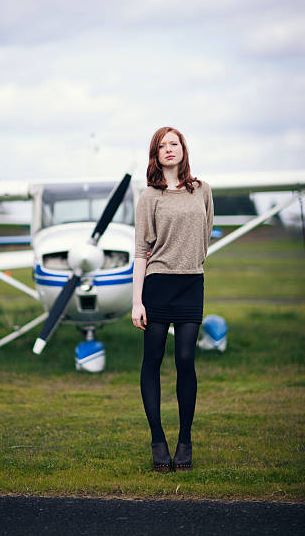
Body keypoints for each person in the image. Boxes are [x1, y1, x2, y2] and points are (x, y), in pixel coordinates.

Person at [132, 127, 214, 472]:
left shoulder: (202, 191)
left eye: (174, 144)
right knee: (153, 360)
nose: (169, 149)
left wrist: (191, 262)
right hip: (158, 285)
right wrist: (138, 302)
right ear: (156, 153)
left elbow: (206, 235)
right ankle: (157, 440)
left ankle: (185, 440)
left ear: (183, 150)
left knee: (185, 358)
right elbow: (141, 251)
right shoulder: (149, 196)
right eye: (162, 145)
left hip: (191, 284)